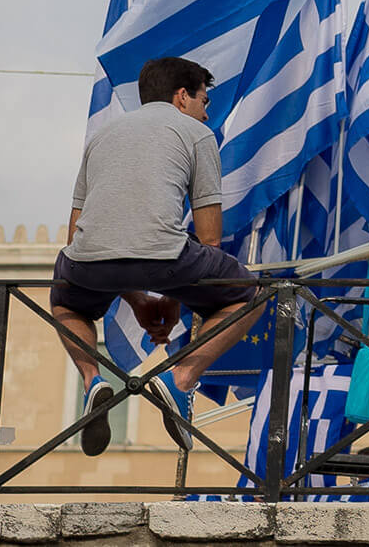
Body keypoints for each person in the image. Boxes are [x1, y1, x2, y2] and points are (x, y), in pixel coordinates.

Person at [52, 56, 262, 455]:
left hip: (86, 262)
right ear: (182, 97)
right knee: (252, 294)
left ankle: (93, 380)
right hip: (165, 259)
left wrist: (136, 298)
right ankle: (180, 379)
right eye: (204, 101)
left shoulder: (101, 136)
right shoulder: (196, 134)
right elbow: (209, 239)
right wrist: (169, 295)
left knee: (64, 303)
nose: (206, 112)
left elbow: (77, 230)